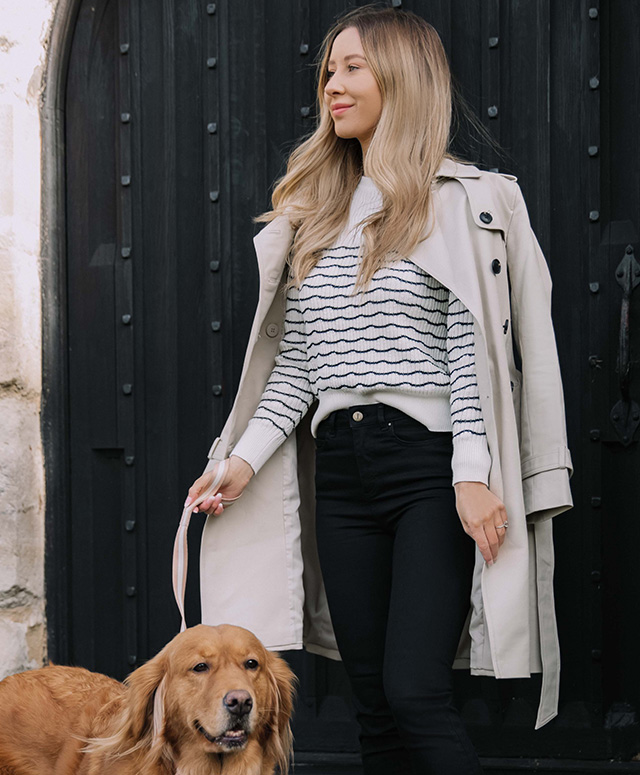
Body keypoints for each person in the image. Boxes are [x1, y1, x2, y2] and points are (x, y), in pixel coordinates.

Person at [185, 5, 573, 774]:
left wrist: (472, 474)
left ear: (403, 76)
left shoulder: (459, 201)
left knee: (413, 691)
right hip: (345, 472)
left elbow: (471, 349)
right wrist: (242, 460)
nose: (333, 83)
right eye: (329, 69)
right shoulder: (317, 213)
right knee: (372, 700)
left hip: (428, 468)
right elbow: (299, 363)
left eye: (353, 66)